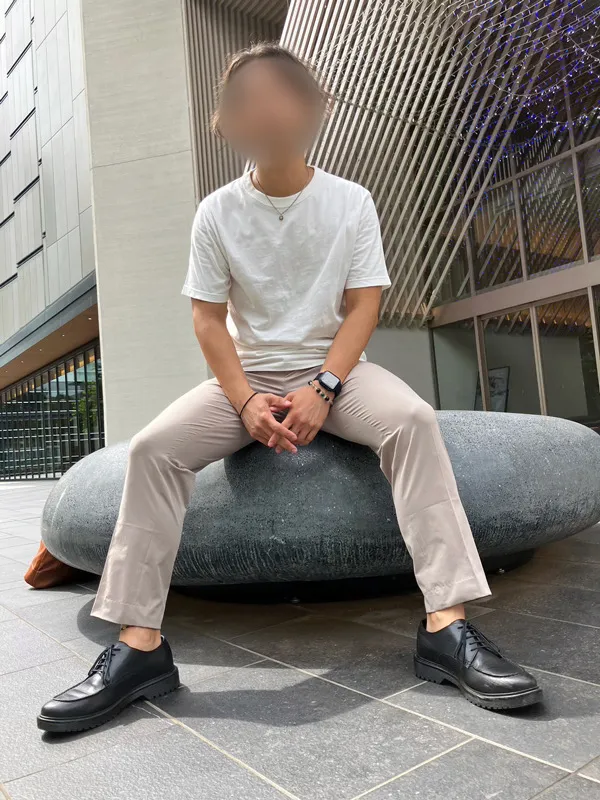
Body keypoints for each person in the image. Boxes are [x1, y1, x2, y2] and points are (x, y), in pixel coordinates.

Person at [37, 43, 541, 734]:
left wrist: (325, 386)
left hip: (337, 371)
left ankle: (447, 627)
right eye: (249, 99)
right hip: (248, 377)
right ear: (227, 120)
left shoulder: (350, 201)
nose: (267, 111)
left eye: (282, 94)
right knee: (153, 448)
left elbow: (363, 305)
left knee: (414, 421)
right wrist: (245, 400)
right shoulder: (216, 212)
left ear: (311, 108)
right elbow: (207, 319)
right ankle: (139, 647)